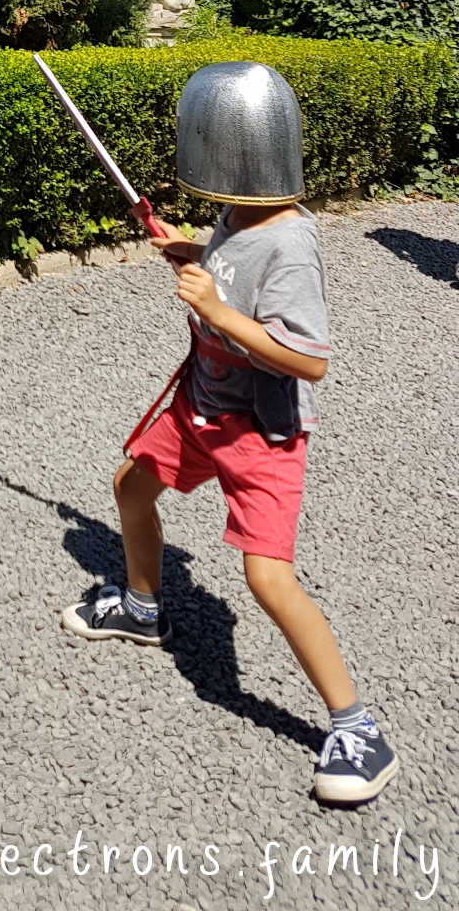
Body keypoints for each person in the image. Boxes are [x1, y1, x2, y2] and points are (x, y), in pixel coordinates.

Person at [60, 61, 399, 806]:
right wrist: (194, 255)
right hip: (201, 405)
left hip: (261, 430)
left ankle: (357, 728)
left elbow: (307, 360)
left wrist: (215, 309)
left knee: (267, 577)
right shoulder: (238, 217)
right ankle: (145, 609)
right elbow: (224, 274)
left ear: (237, 151)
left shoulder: (290, 244)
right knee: (131, 485)